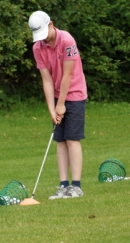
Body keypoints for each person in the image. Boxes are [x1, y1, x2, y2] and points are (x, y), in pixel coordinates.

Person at [28, 11, 87, 199]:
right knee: (60, 141)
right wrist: (51, 109)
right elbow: (46, 80)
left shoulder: (67, 41)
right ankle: (63, 185)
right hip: (56, 95)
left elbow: (67, 75)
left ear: (51, 24)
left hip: (75, 93)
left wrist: (61, 104)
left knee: (72, 138)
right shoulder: (38, 48)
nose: (43, 39)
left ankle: (76, 186)